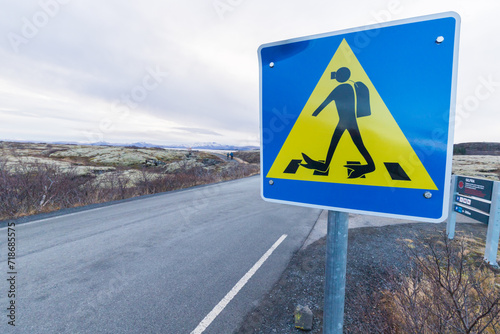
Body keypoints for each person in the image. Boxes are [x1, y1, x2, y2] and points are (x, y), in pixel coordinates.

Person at [300, 67, 375, 179]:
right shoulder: (348, 87)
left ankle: (371, 166)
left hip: (349, 122)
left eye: (337, 75)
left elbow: (327, 100)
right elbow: (329, 100)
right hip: (345, 122)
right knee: (337, 143)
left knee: (356, 144)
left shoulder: (343, 88)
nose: (335, 76)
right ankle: (325, 165)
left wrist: (314, 113)